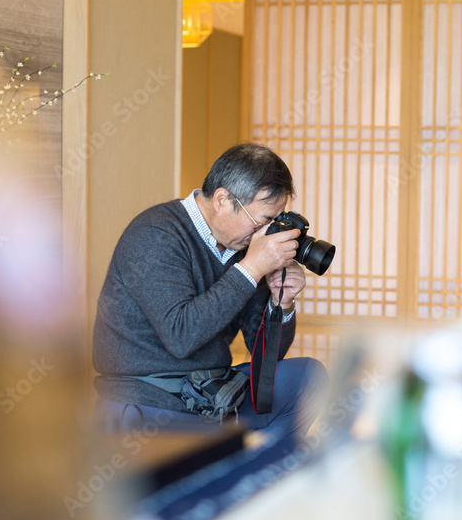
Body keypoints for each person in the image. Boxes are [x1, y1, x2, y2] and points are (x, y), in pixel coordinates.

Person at [92, 143, 325, 434]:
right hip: (152, 401)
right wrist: (252, 268)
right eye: (261, 222)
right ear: (222, 201)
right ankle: (236, 465)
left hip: (212, 394)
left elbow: (263, 353)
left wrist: (282, 304)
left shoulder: (243, 249)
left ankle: (255, 469)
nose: (265, 235)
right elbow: (181, 336)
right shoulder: (155, 234)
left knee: (307, 377)